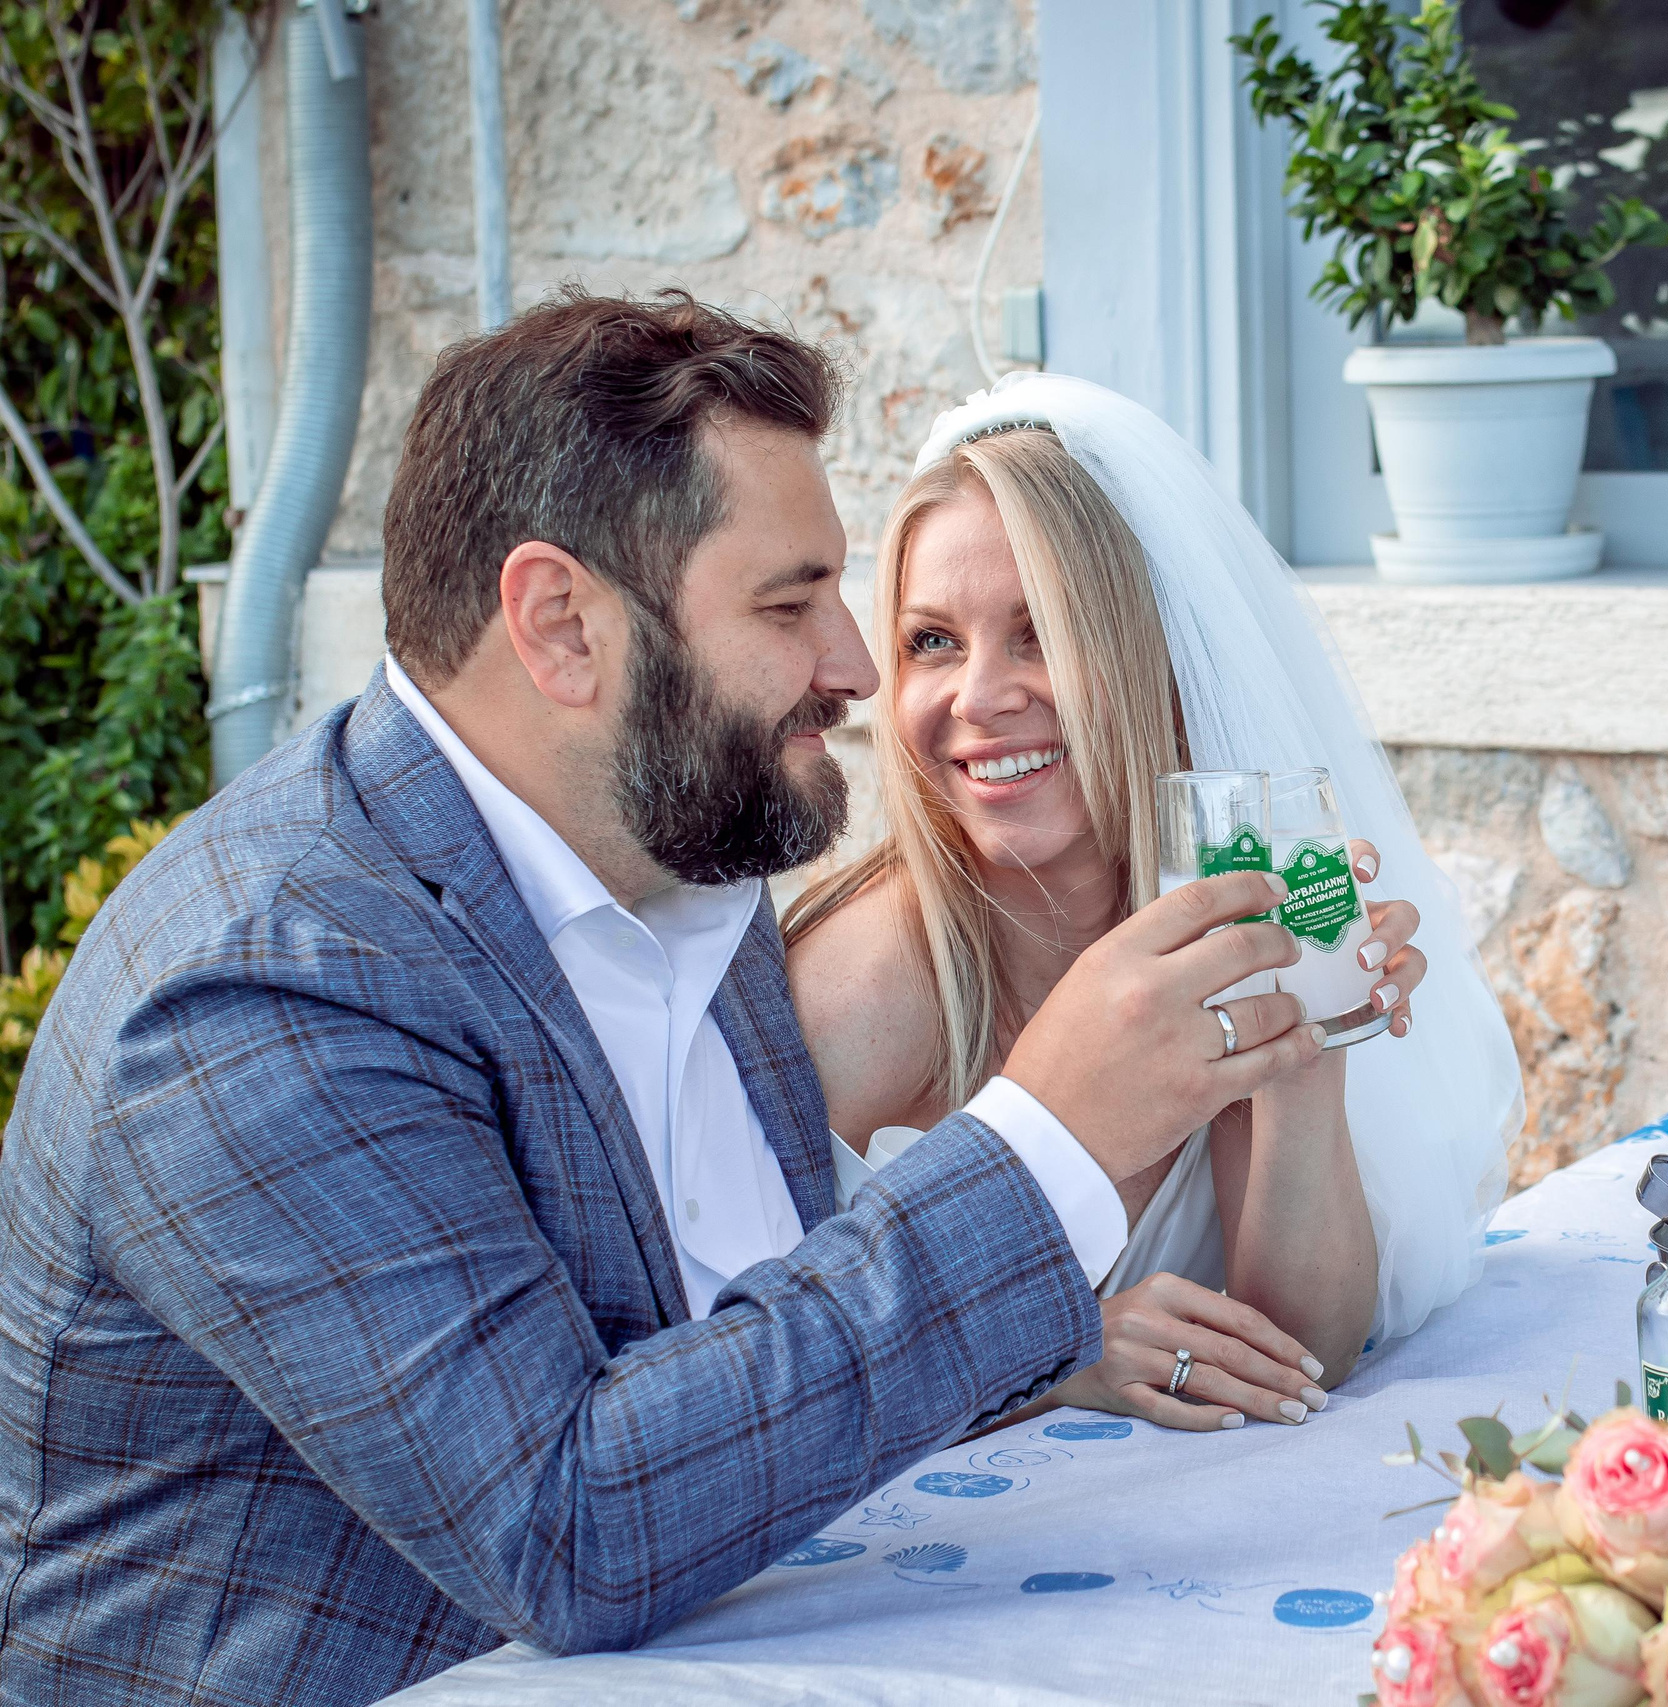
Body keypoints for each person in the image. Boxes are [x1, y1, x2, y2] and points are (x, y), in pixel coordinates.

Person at [0, 293, 1346, 1706]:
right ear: (560, 624)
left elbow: (730, 1365)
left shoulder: (683, 865)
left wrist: (1043, 1346)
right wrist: (1044, 1137)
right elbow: (572, 1529)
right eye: (789, 603)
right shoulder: (267, 993)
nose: (858, 667)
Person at [785, 374, 1522, 1431]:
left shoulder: (1201, 929)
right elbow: (755, 1386)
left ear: (1150, 664)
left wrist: (1310, 1039)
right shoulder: (857, 992)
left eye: (1040, 633)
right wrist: (1051, 1356)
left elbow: (1299, 1350)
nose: (980, 697)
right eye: (931, 642)